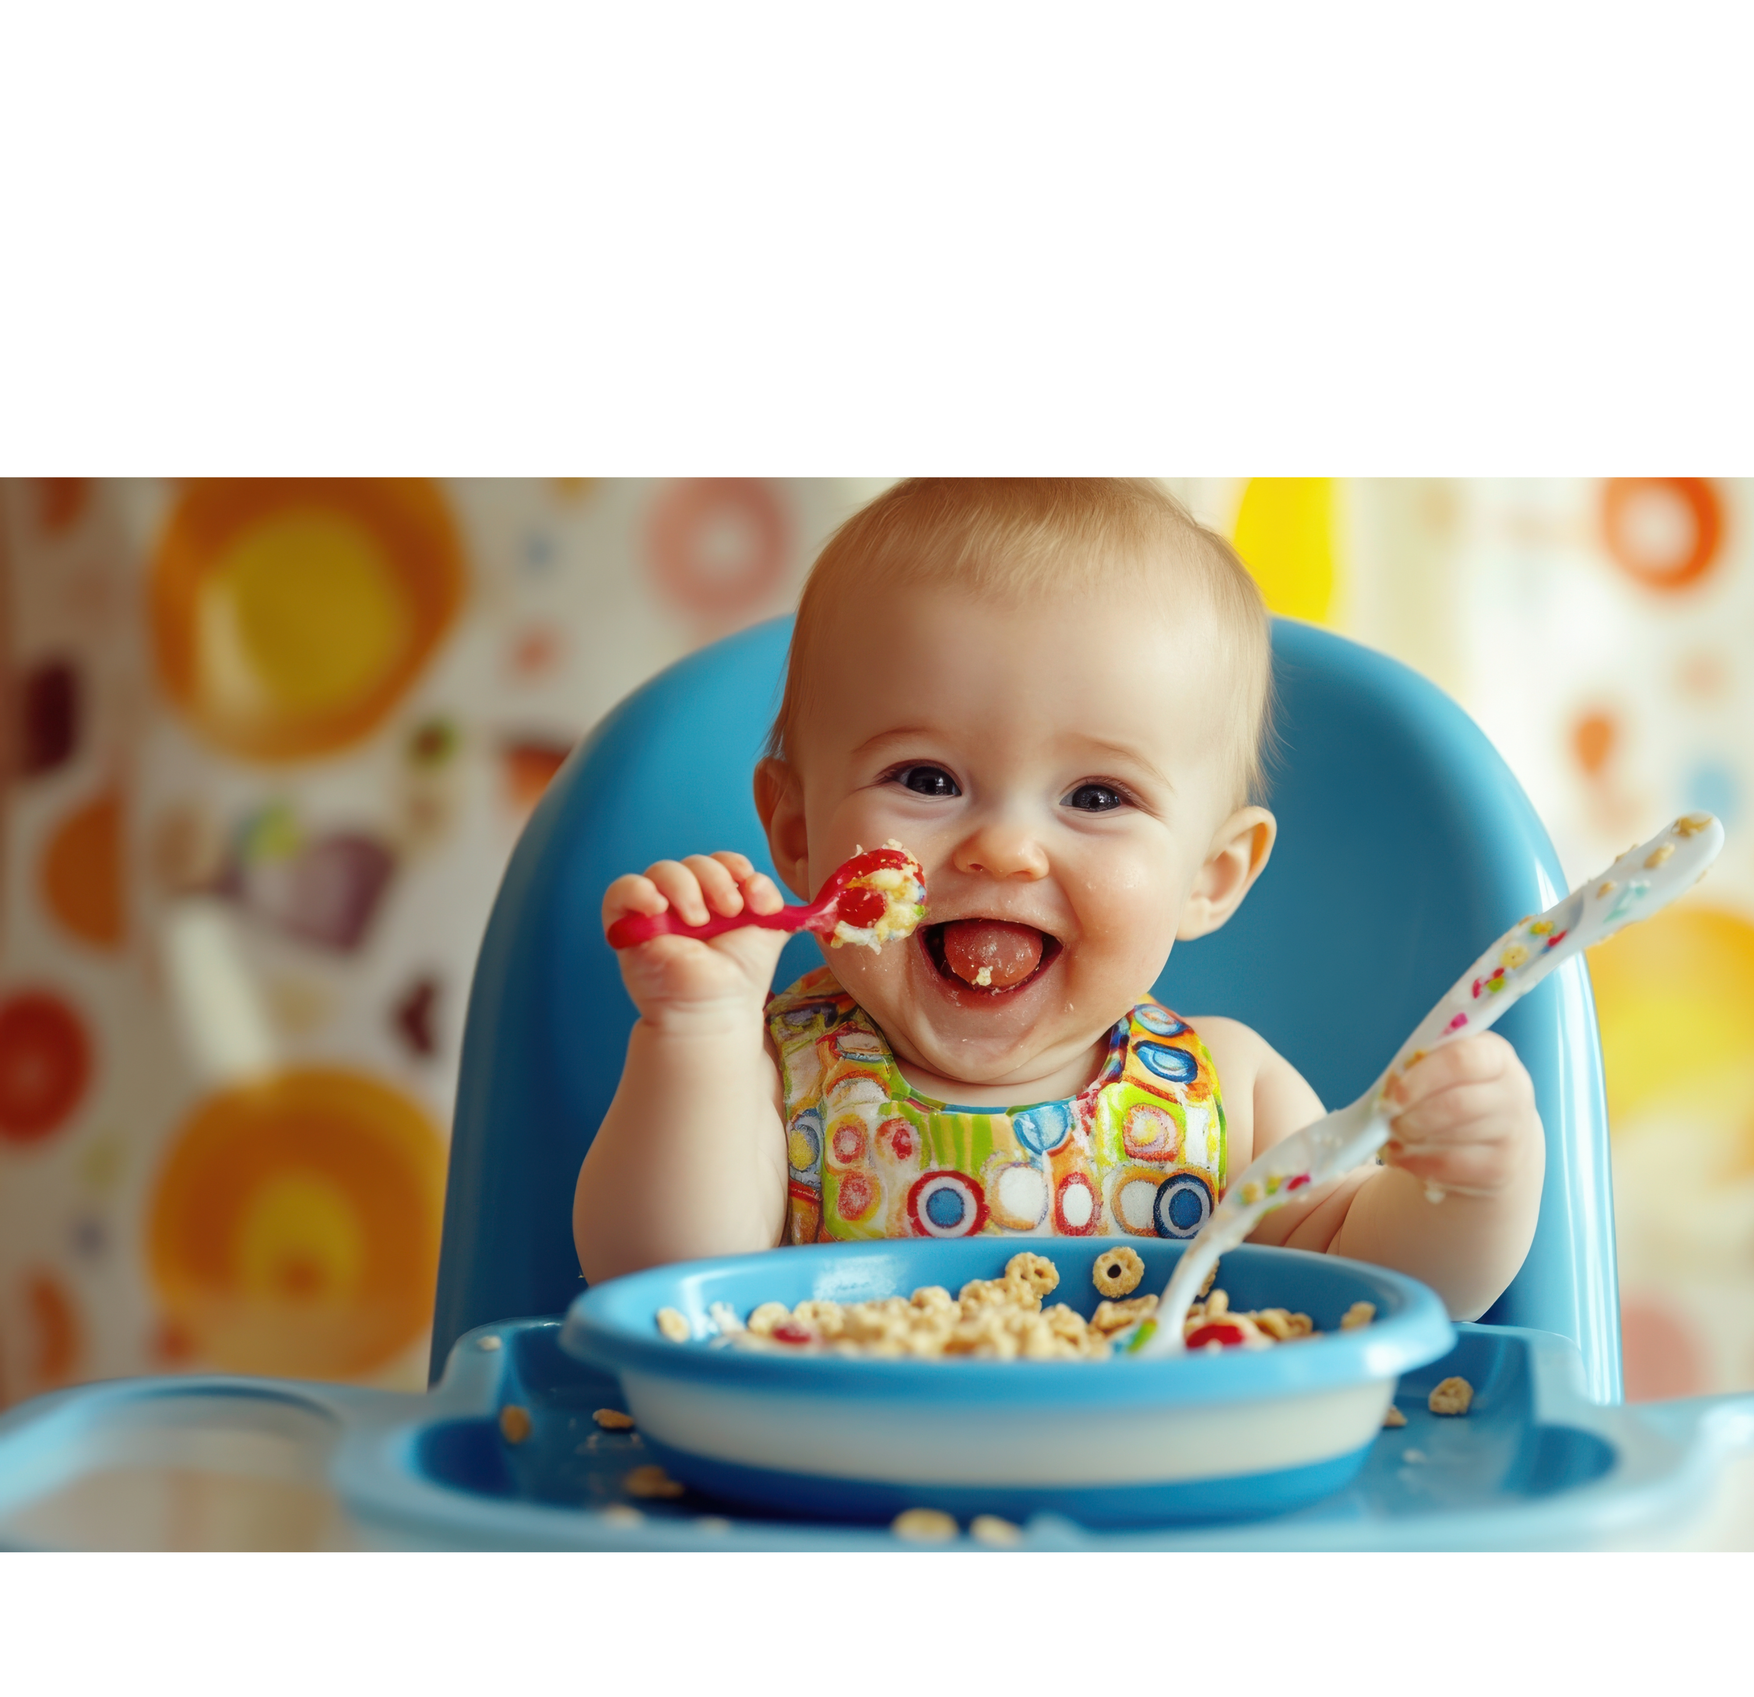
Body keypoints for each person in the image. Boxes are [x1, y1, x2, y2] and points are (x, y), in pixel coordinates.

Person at [575, 479, 1543, 1315]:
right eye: (926, 779)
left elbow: (1388, 1286)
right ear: (794, 835)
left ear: (1209, 876)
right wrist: (701, 1029)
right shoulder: (764, 1082)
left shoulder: (1228, 1100)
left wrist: (1469, 1184)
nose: (1004, 849)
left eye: (1096, 797)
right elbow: (659, 1281)